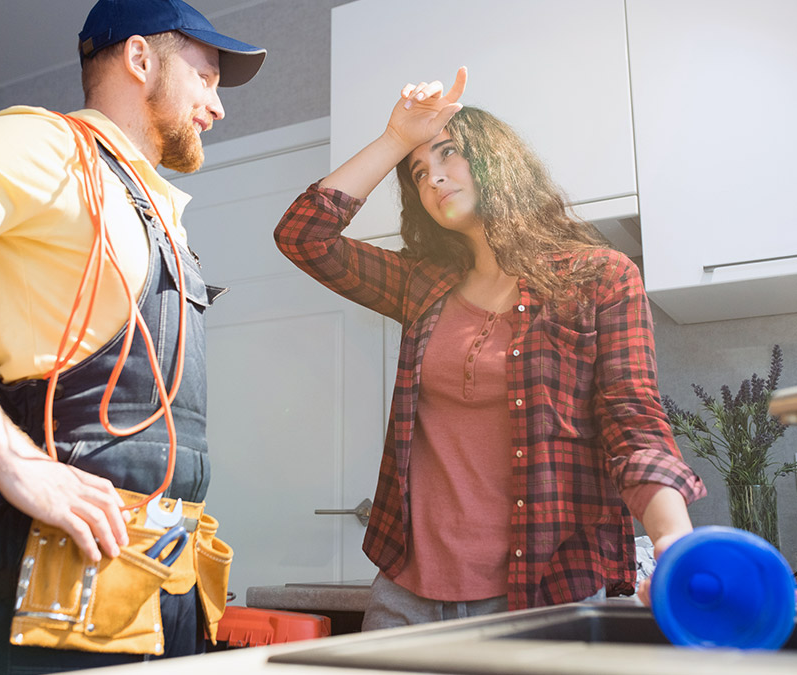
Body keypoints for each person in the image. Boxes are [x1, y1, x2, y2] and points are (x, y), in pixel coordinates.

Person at [0, 0, 265, 671]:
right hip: (58, 577)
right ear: (139, 57)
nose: (218, 105)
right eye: (206, 76)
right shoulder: (45, 145)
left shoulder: (159, 211)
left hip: (161, 575)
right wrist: (16, 460)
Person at [274, 67, 706, 630]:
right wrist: (396, 139)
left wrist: (672, 536)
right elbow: (303, 235)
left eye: (448, 153)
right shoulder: (421, 285)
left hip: (548, 591)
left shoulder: (599, 278)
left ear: (497, 163)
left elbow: (633, 416)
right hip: (404, 593)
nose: (432, 178)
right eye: (418, 172)